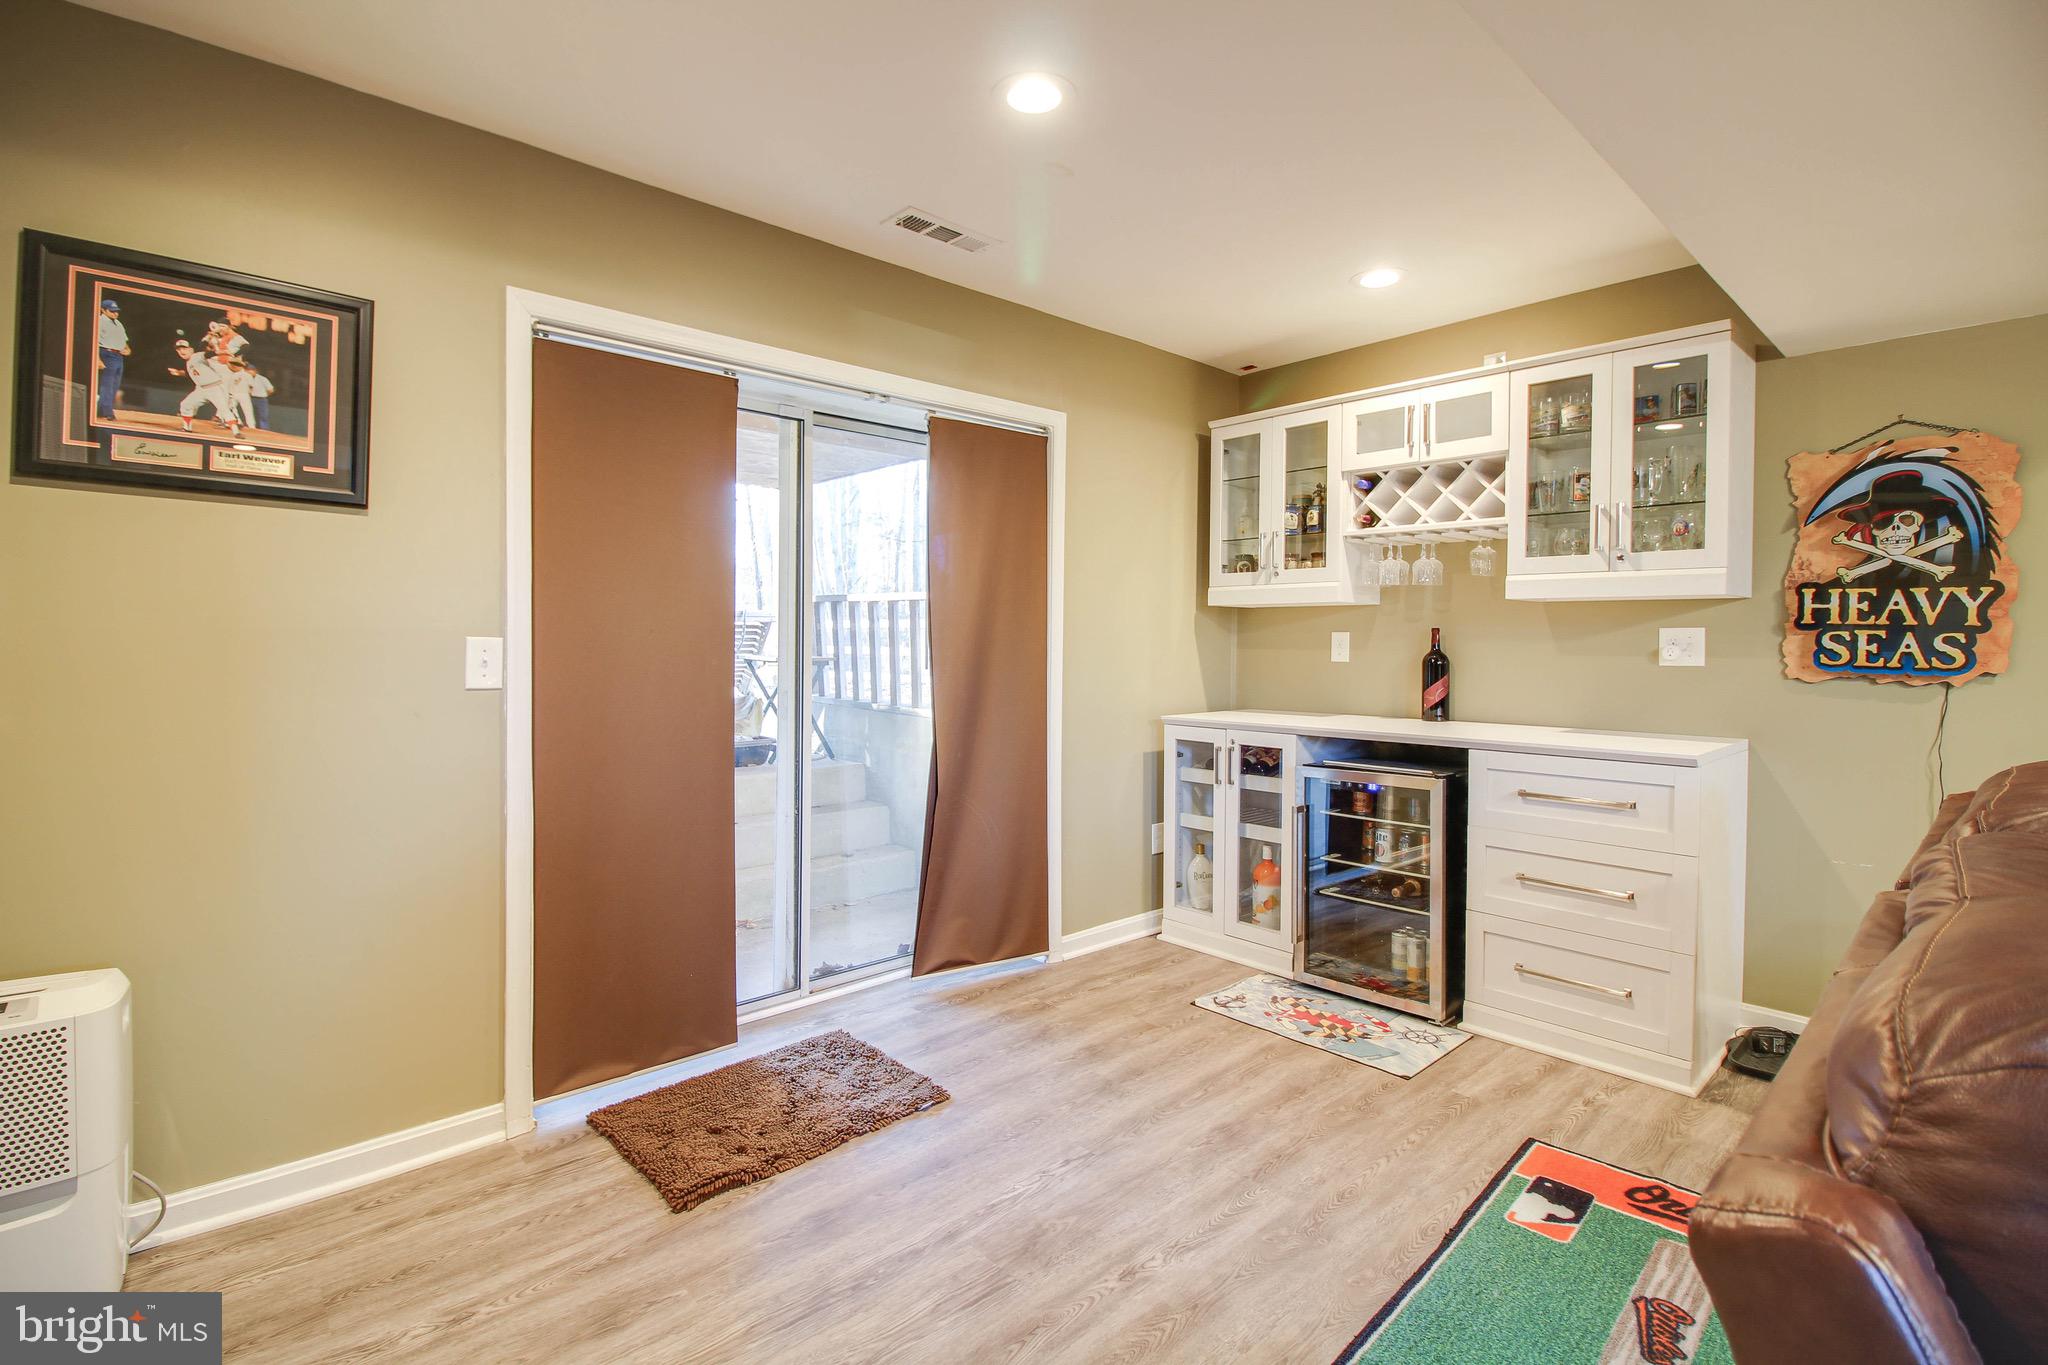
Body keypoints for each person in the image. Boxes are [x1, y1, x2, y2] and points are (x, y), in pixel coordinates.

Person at [168, 339, 241, 437]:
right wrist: (179, 373)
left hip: (214, 387)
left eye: (184, 348)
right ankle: (187, 428)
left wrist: (225, 352)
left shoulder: (196, 356)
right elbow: (196, 374)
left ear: (191, 349)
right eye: (179, 349)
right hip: (201, 389)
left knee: (223, 409)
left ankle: (236, 432)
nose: (181, 351)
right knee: (186, 404)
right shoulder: (189, 362)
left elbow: (210, 354)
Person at [95, 298, 130, 421]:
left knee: (115, 385)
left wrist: (127, 349)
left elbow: (124, 341)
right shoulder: (99, 321)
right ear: (103, 310)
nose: (115, 313)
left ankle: (100, 410)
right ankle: (107, 412)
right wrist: (98, 359)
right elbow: (94, 342)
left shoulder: (118, 323)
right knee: (107, 384)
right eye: (112, 311)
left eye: (116, 311)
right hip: (106, 353)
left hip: (118, 356)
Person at [243, 360, 274, 430]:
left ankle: (264, 429)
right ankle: (249, 427)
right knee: (249, 413)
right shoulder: (246, 378)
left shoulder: (262, 379)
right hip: (251, 398)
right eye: (247, 370)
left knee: (263, 415)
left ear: (255, 371)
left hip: (261, 399)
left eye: (251, 370)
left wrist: (264, 395)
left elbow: (270, 389)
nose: (249, 371)